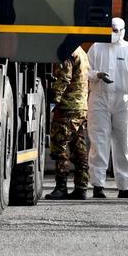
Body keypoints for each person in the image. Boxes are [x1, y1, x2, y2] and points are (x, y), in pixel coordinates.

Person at [87, 17, 128, 199]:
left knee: (125, 143)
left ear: (123, 31)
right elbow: (86, 72)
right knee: (99, 142)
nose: (113, 33)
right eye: (111, 29)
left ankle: (126, 187)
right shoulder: (96, 47)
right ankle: (98, 185)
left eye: (116, 30)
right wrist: (98, 75)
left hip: (124, 102)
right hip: (99, 99)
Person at [46, 45, 90, 200]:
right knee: (79, 148)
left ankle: (61, 187)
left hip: (67, 107)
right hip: (80, 106)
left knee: (60, 146)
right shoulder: (81, 52)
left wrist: (53, 100)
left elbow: (64, 77)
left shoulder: (67, 52)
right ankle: (81, 187)